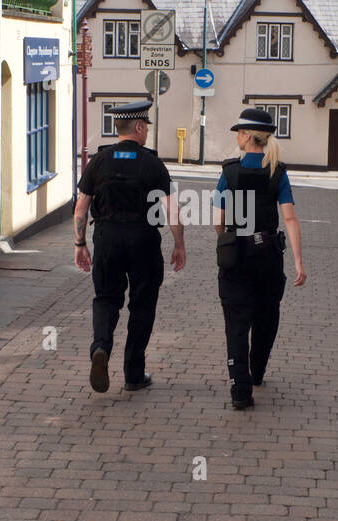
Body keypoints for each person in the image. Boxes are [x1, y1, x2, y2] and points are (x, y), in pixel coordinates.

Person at [74, 99, 185, 393]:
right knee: (142, 304)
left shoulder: (98, 161)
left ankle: (101, 348)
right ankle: (134, 374)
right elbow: (172, 211)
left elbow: (80, 209)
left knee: (106, 299)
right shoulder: (152, 163)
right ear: (138, 127)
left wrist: (79, 243)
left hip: (107, 239)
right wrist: (179, 244)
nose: (147, 131)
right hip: (143, 241)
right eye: (145, 126)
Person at [212, 108, 306, 410]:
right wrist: (298, 262)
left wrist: (230, 233)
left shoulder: (229, 172)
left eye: (238, 132)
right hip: (267, 256)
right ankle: (257, 370)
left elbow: (218, 220)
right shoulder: (277, 171)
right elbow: (289, 219)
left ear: (245, 136)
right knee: (266, 316)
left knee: (236, 323)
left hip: (235, 257)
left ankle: (240, 390)